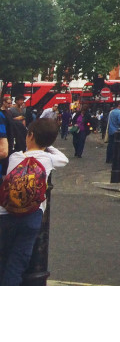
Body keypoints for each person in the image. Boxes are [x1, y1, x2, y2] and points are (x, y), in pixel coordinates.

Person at [0, 117, 68, 286]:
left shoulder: (15, 157)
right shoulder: (48, 159)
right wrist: (46, 144)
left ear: (29, 135)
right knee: (17, 263)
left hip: (6, 215)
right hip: (31, 217)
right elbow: (64, 159)